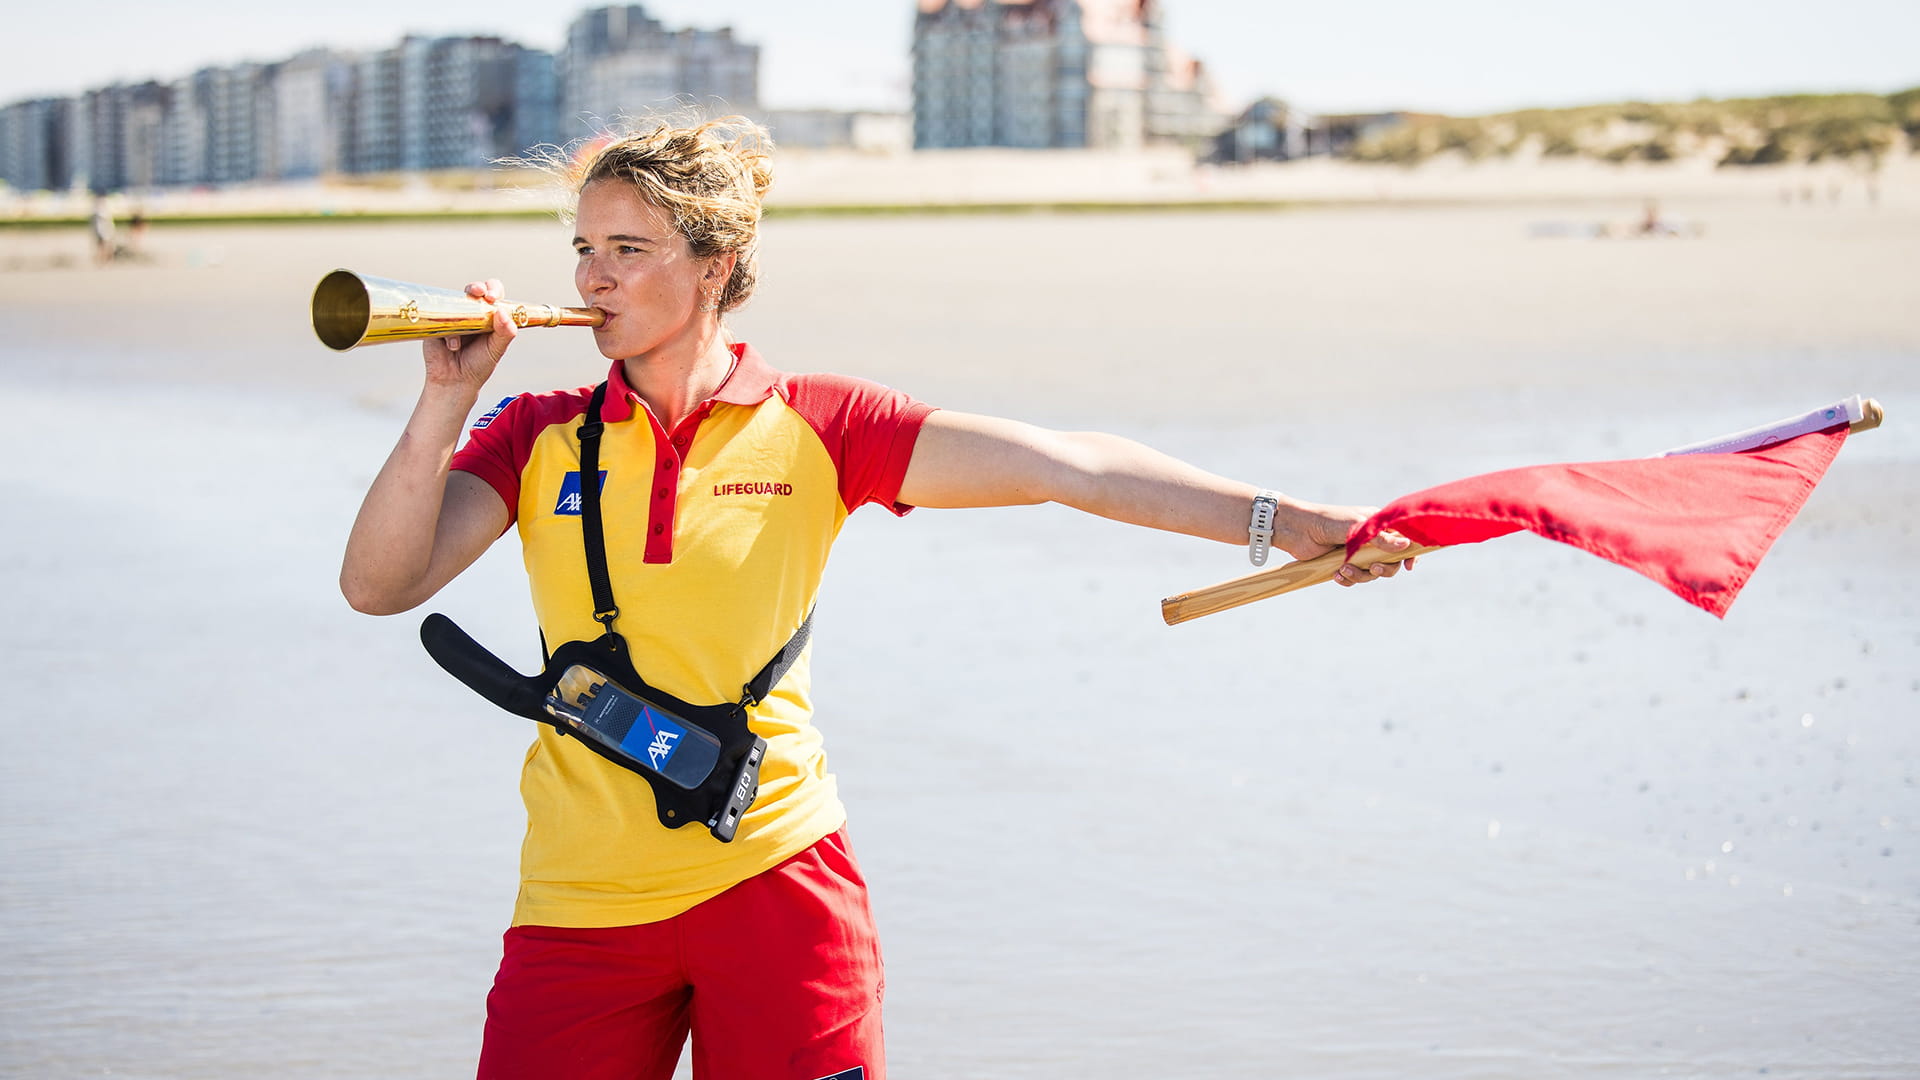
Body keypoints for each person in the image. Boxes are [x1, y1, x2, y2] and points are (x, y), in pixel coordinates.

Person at [339, 116, 1412, 1080]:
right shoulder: (536, 431)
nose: (593, 279)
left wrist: (1284, 522)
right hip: (577, 903)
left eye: (629, 249)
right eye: (583, 249)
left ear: (714, 267)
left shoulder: (820, 425)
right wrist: (446, 398)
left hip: (775, 880)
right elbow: (377, 585)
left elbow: (1065, 466)